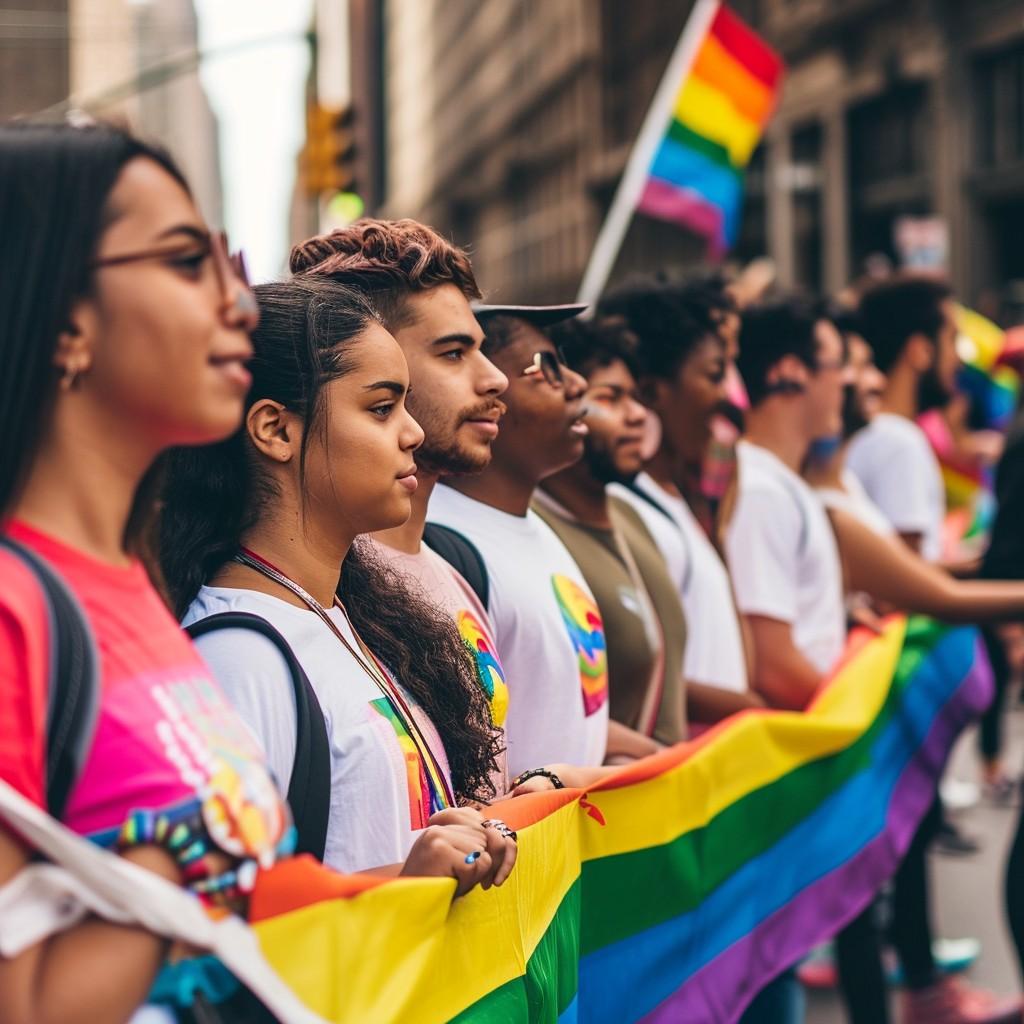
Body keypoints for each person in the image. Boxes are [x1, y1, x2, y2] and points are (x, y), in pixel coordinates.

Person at [0, 120, 295, 1024]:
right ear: (64, 319)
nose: (239, 303)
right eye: (182, 263)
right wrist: (186, 843)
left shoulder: (134, 583)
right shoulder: (14, 612)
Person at [160, 276, 518, 883]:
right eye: (381, 408)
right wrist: (404, 883)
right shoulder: (237, 659)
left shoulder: (349, 615)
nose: (414, 434)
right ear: (275, 430)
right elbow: (228, 927)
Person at [288, 221, 513, 754]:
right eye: (453, 353)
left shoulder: (454, 572)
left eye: (480, 350)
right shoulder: (313, 593)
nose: (495, 378)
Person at [427, 304, 620, 776]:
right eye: (546, 368)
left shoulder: (534, 523)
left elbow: (562, 714)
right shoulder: (445, 550)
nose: (576, 385)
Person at [600, 277, 761, 723]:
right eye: (714, 374)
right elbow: (639, 673)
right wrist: (755, 714)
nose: (728, 395)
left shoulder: (674, 502)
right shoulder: (625, 512)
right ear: (652, 392)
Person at [533, 316, 688, 749]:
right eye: (611, 397)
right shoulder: (541, 534)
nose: (638, 415)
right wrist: (656, 759)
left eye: (636, 398)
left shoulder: (630, 515)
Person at [846, 276, 960, 562]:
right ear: (920, 350)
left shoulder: (872, 432)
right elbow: (909, 581)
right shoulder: (897, 440)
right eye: (952, 340)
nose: (958, 359)